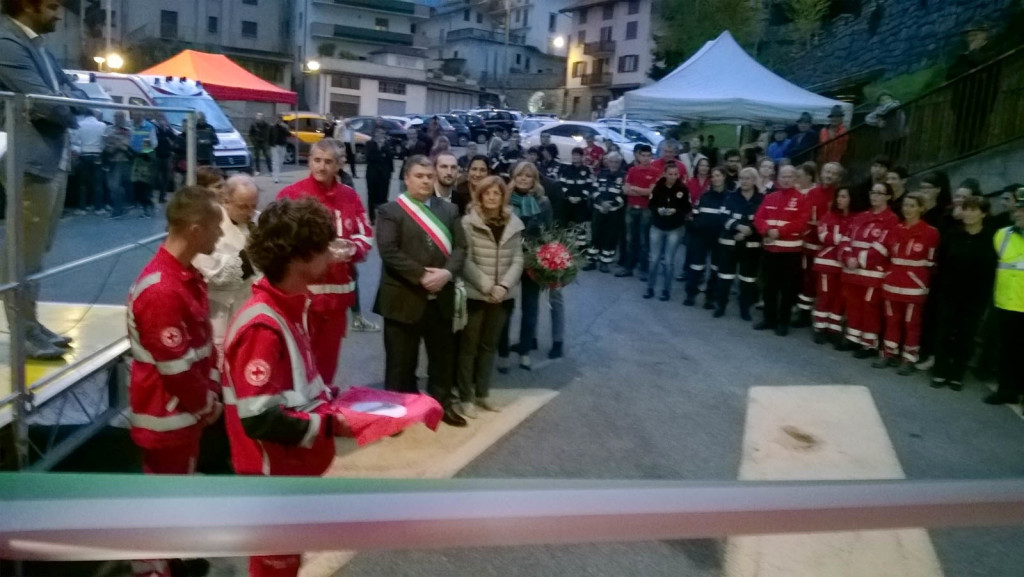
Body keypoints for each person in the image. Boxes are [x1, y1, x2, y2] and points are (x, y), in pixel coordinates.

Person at [222, 197, 355, 577]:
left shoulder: (290, 306)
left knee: (286, 563)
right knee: (274, 567)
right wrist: (331, 426)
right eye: (324, 247)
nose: (332, 255)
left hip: (288, 474)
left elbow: (297, 388)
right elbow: (259, 419)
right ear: (298, 258)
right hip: (271, 479)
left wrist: (330, 402)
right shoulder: (263, 326)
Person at [125, 185, 224, 577]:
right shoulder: (163, 290)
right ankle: (152, 567)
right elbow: (176, 368)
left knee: (177, 490)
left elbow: (200, 346)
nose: (220, 234)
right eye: (216, 227)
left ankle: (173, 555)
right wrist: (207, 403)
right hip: (167, 417)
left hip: (184, 415)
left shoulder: (184, 276)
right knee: (161, 499)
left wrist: (210, 390)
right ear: (196, 230)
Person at [374, 155, 467, 427]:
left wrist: (448, 273)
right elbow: (389, 251)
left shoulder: (448, 211)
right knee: (400, 363)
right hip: (404, 297)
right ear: (406, 178)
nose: (425, 181)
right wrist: (422, 276)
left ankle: (441, 405)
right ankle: (395, 412)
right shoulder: (390, 211)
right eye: (419, 176)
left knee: (442, 358)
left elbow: (461, 247)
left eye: (429, 176)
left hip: (441, 298)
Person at [277, 139, 373, 384]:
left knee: (327, 367)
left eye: (328, 162)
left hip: (337, 302)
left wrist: (351, 249)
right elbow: (277, 241)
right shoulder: (291, 195)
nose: (321, 167)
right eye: (316, 160)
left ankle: (323, 410)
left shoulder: (350, 197)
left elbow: (365, 235)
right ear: (309, 161)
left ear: (339, 165)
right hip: (301, 299)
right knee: (296, 365)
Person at [457, 176, 524, 417]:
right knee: (469, 348)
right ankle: (466, 396)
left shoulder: (514, 223)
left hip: (502, 298)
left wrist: (504, 287)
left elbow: (518, 258)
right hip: (476, 295)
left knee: (489, 347)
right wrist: (488, 286)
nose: (492, 197)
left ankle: (482, 393)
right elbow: (465, 259)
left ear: (503, 196)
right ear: (480, 196)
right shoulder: (468, 223)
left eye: (497, 193)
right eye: (488, 193)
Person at [498, 161, 560, 369]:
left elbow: (548, 231)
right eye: (520, 175)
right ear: (513, 177)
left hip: (533, 260)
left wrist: (548, 257)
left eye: (528, 176)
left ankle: (525, 350)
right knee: (505, 308)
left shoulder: (543, 202)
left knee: (530, 307)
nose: (524, 179)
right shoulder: (504, 200)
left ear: (534, 180)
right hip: (507, 260)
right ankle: (503, 352)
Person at [931, 196, 997, 391]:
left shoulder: (991, 239)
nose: (968, 213)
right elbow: (940, 264)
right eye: (966, 209)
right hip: (949, 293)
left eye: (973, 209)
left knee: (965, 336)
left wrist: (984, 297)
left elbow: (991, 271)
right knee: (944, 333)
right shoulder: (952, 235)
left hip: (975, 297)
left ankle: (957, 374)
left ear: (983, 213)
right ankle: (940, 371)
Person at [192, 175, 260, 351]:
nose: (250, 212)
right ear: (226, 201)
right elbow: (218, 275)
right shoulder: (210, 227)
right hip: (221, 314)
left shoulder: (258, 221)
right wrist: (254, 253)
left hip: (253, 306)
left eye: (253, 206)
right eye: (243, 206)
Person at [876, 193, 939, 374]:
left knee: (912, 323)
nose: (908, 210)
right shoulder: (895, 229)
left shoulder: (931, 232)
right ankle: (888, 353)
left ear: (921, 208)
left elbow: (931, 261)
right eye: (906, 205)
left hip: (914, 284)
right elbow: (888, 255)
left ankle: (908, 358)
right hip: (892, 281)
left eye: (912, 206)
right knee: (891, 320)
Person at [837, 182, 900, 356]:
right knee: (853, 305)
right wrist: (847, 257)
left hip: (873, 274)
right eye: (873, 192)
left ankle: (869, 344)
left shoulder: (891, 220)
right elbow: (846, 239)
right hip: (852, 272)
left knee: (869, 307)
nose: (874, 196)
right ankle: (853, 338)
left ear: (888, 196)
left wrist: (858, 260)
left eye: (879, 193)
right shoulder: (860, 217)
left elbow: (883, 247)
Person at [753, 165, 811, 335]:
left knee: (787, 289)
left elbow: (802, 222)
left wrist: (779, 232)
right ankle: (768, 319)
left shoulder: (802, 199)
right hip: (770, 250)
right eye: (783, 176)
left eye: (790, 176)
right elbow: (759, 217)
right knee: (769, 287)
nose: (786, 179)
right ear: (778, 178)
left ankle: (783, 322)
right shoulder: (770, 197)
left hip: (790, 252)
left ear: (795, 179)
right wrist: (766, 230)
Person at [982, 188, 1024, 405]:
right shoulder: (1002, 235)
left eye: (1022, 210)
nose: (1018, 213)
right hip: (1006, 303)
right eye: (1017, 209)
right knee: (1006, 351)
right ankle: (1006, 390)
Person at [796, 162, 842, 327]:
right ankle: (804, 313)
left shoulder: (839, 195)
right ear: (821, 173)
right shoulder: (812, 193)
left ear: (838, 177)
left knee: (825, 284)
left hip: (829, 246)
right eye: (827, 171)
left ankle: (824, 317)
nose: (829, 175)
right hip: (809, 241)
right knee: (807, 278)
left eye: (833, 173)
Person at [713, 167, 763, 319]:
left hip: (751, 246)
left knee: (747, 280)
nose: (744, 181)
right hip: (730, 244)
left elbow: (763, 218)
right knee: (724, 277)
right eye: (742, 178)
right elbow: (722, 216)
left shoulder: (762, 199)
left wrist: (749, 230)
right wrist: (737, 227)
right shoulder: (730, 197)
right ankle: (720, 306)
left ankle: (744, 309)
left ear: (754, 180)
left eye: (748, 178)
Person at [811, 186, 856, 344]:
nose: (840, 200)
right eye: (839, 196)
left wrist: (840, 239)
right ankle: (820, 327)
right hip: (826, 263)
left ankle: (834, 328)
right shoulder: (828, 216)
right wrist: (844, 239)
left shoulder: (855, 218)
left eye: (844, 196)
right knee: (825, 296)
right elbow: (823, 236)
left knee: (839, 298)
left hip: (844, 266)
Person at [684, 166, 729, 308]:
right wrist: (695, 227)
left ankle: (710, 298)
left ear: (724, 177)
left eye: (718, 175)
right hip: (701, 238)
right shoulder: (705, 196)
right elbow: (695, 215)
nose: (715, 178)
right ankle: (691, 295)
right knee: (696, 267)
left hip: (720, 240)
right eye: (713, 176)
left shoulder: (730, 197)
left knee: (716, 269)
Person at [646, 162, 691, 301]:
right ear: (664, 174)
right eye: (670, 174)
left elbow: (687, 208)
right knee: (654, 259)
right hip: (657, 226)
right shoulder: (658, 187)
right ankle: (650, 288)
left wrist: (675, 211)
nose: (673, 177)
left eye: (675, 174)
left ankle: (666, 290)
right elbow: (651, 204)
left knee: (669, 260)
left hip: (675, 228)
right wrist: (657, 210)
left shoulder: (682, 189)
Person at [617, 144, 658, 279]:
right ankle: (628, 268)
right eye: (643, 155)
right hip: (631, 208)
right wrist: (640, 190)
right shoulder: (632, 170)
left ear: (651, 157)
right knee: (629, 239)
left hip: (645, 210)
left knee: (643, 241)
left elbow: (651, 192)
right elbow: (625, 189)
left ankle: (644, 269)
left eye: (648, 156)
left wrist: (635, 189)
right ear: (638, 156)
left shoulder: (655, 172)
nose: (645, 158)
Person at [589, 152, 627, 273]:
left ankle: (605, 262)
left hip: (614, 212)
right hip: (599, 210)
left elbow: (624, 195)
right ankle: (592, 260)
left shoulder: (625, 176)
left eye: (616, 162)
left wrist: (611, 205)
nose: (614, 164)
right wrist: (602, 203)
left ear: (620, 163)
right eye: (611, 161)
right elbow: (593, 190)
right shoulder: (600, 173)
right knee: (595, 235)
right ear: (607, 162)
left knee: (610, 237)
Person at [560, 147, 595, 265]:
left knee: (581, 227)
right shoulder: (565, 169)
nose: (575, 157)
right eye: (573, 155)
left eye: (578, 155)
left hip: (581, 204)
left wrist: (580, 197)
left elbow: (590, 186)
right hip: (568, 203)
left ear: (582, 157)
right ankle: (570, 249)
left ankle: (581, 250)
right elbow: (562, 185)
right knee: (569, 227)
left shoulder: (587, 170)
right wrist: (568, 196)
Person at [69, 109, 107, 216]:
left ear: (85, 115)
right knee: (98, 183)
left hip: (84, 156)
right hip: (97, 156)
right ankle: (98, 207)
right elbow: (104, 142)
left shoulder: (79, 125)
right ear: (94, 115)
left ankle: (82, 208)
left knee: (83, 183)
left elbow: (75, 141)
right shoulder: (102, 125)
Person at [103, 111, 134, 219]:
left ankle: (118, 209)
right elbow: (106, 143)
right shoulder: (109, 129)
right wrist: (116, 145)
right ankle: (120, 207)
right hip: (110, 160)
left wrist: (117, 144)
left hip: (122, 161)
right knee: (112, 186)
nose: (117, 118)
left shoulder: (128, 131)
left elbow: (127, 145)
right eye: (115, 116)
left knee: (115, 185)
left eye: (120, 116)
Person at [364, 127, 395, 224]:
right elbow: (369, 157)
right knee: (371, 195)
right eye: (379, 133)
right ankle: (372, 217)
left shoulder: (387, 144)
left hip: (385, 174)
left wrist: (390, 172)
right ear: (375, 134)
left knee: (383, 196)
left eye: (383, 134)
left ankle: (383, 217)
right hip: (372, 174)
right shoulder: (369, 144)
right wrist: (381, 152)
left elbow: (390, 157)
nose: (381, 136)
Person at [865, 92, 907, 161]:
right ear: (879, 102)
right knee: (886, 153)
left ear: (892, 99)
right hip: (886, 135)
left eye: (887, 98)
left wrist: (903, 129)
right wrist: (877, 122)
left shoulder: (896, 106)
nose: (885, 101)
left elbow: (902, 118)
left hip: (897, 133)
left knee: (896, 152)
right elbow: (868, 118)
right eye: (882, 100)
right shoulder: (878, 111)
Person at [152, 114, 177, 203]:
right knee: (154, 176)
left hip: (167, 156)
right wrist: (165, 138)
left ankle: (162, 196)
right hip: (157, 155)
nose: (162, 121)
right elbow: (155, 140)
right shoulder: (154, 128)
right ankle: (151, 195)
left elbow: (174, 138)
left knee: (165, 177)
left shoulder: (168, 129)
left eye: (163, 119)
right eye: (160, 119)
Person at [248, 112, 271, 176]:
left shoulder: (266, 125)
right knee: (257, 157)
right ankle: (257, 170)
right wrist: (253, 141)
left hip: (264, 142)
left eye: (260, 117)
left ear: (263, 118)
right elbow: (250, 133)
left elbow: (269, 133)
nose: (259, 118)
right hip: (256, 143)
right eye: (258, 117)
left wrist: (268, 141)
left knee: (267, 156)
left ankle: (270, 170)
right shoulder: (253, 124)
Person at [270, 115, 290, 184]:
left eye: (280, 119)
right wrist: (270, 144)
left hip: (282, 145)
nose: (279, 120)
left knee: (280, 161)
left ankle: (276, 174)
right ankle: (276, 177)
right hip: (275, 146)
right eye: (278, 119)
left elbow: (288, 134)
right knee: (276, 162)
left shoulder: (284, 127)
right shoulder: (272, 127)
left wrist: (285, 128)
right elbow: (269, 136)